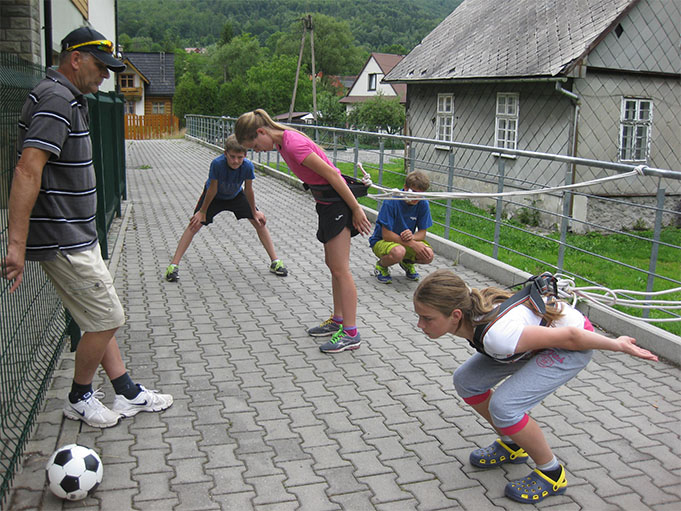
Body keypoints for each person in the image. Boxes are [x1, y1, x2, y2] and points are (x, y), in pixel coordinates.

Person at [1, 27, 172, 428]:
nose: (105, 77)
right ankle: (79, 397)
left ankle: (127, 392)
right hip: (63, 237)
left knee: (98, 314)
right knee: (107, 317)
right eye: (99, 66)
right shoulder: (56, 99)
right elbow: (27, 168)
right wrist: (17, 243)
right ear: (74, 59)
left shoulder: (67, 96)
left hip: (77, 232)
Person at [412, 269, 657, 504]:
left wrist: (616, 344)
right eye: (419, 316)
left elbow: (571, 337)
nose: (420, 325)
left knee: (505, 407)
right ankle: (514, 444)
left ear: (455, 315)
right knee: (467, 381)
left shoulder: (497, 336)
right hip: (528, 344)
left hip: (572, 345)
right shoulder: (469, 311)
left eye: (427, 318)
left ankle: (551, 474)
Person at [234, 109, 373, 354]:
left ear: (261, 132)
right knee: (333, 265)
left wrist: (356, 209)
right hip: (326, 204)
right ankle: (338, 320)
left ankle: (351, 333)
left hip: (338, 204)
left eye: (255, 145)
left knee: (341, 269)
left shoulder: (292, 143)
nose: (258, 151)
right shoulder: (282, 142)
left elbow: (332, 173)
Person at [164, 134, 288, 282]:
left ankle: (275, 262)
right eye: (232, 157)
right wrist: (202, 212)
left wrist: (254, 211)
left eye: (240, 157)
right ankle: (173, 266)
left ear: (245, 155)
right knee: (194, 224)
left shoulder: (247, 166)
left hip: (236, 196)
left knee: (259, 222)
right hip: (214, 197)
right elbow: (212, 189)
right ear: (225, 153)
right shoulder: (217, 164)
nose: (236, 161)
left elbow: (248, 190)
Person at [369, 170, 434, 283]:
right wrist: (413, 244)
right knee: (398, 252)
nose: (416, 197)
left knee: (428, 255)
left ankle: (407, 262)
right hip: (382, 241)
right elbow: (387, 235)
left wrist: (411, 237)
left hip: (404, 241)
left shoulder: (423, 203)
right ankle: (381, 265)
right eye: (413, 192)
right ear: (405, 187)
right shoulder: (391, 201)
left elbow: (422, 233)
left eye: (420, 194)